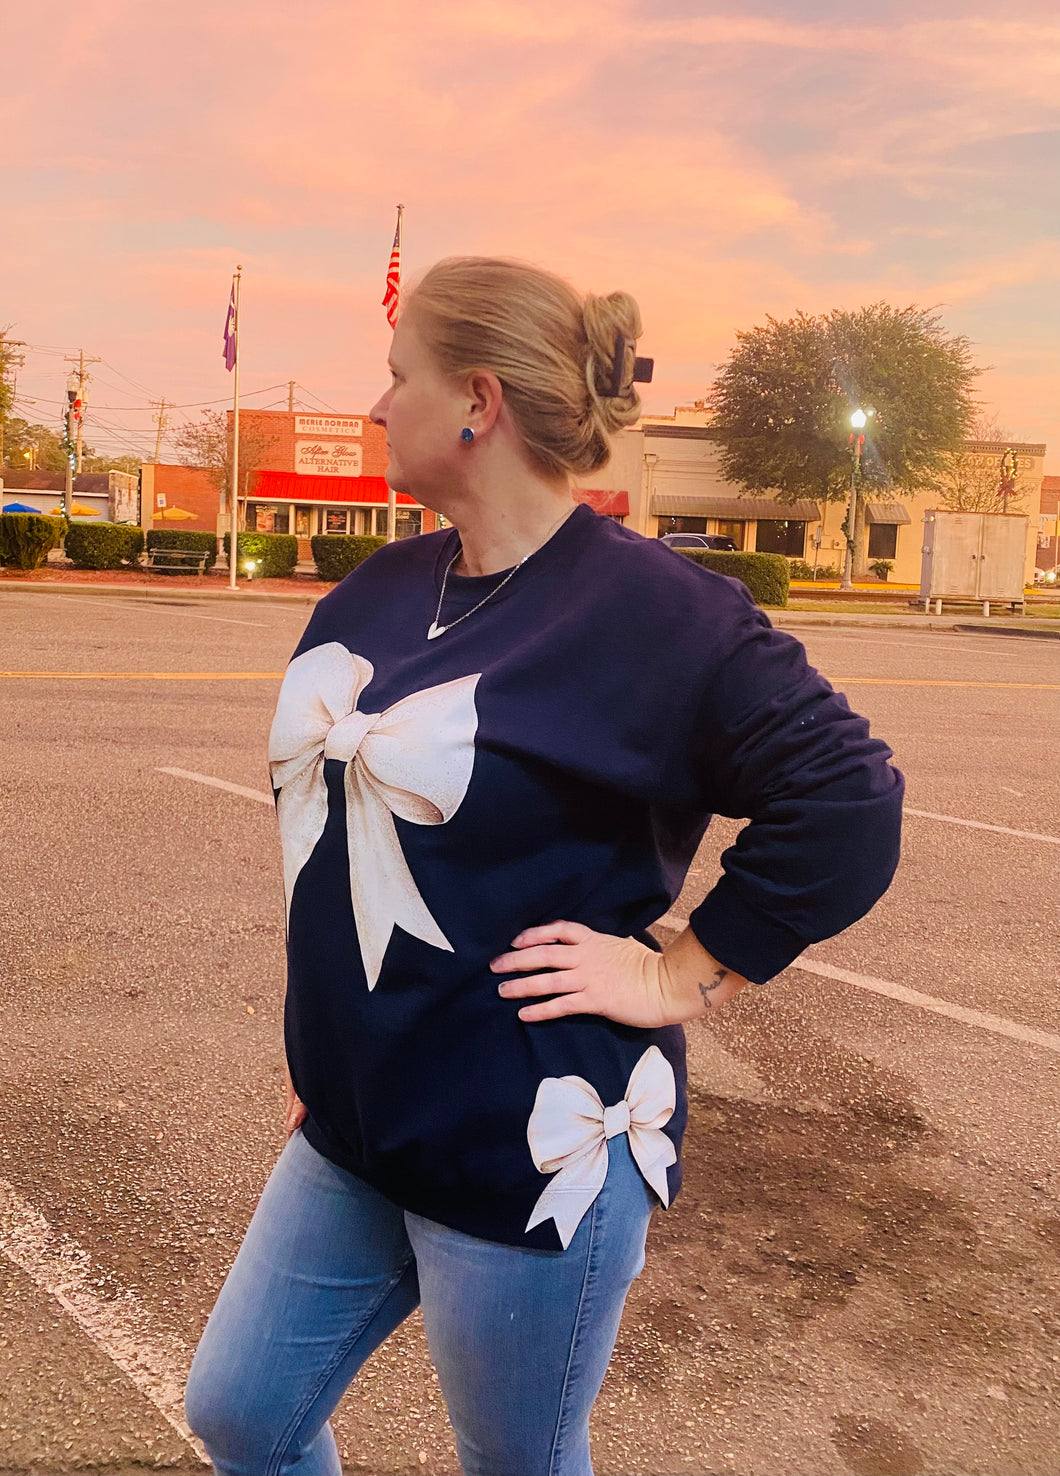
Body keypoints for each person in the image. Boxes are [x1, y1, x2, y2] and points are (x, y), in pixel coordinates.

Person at [185, 257, 903, 1476]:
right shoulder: (378, 588)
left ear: (477, 400)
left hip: (532, 1140)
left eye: (396, 375)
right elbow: (341, 847)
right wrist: (343, 1045)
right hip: (360, 1123)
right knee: (243, 1415)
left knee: (513, 1461)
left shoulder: (659, 617)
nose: (375, 408)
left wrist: (681, 978)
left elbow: (848, 801)